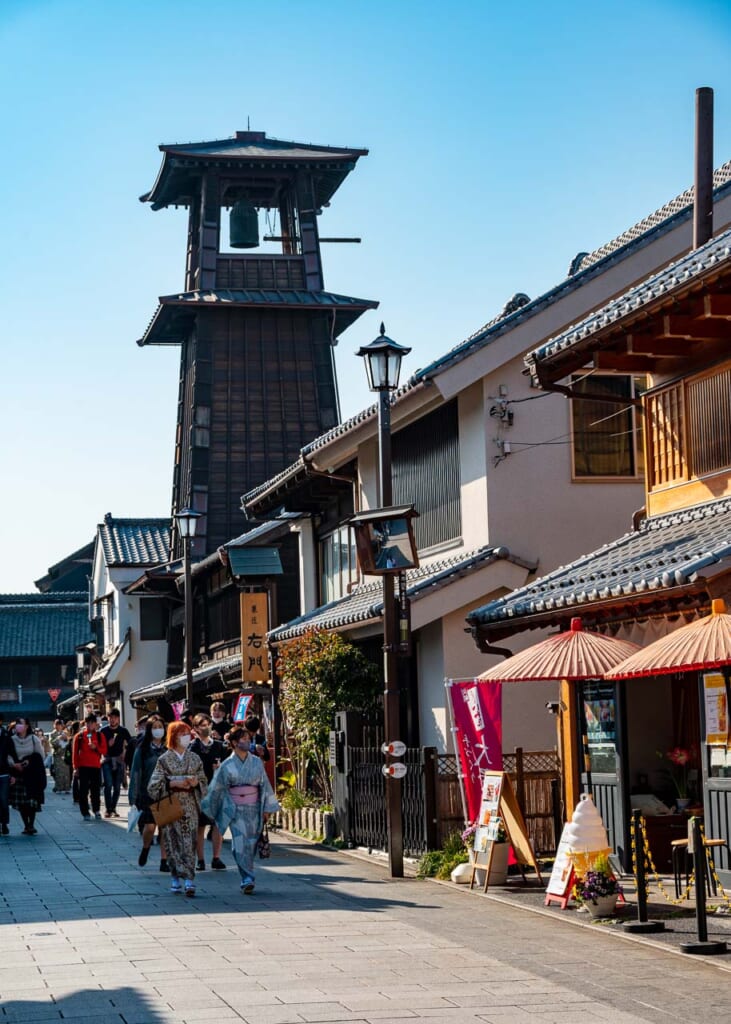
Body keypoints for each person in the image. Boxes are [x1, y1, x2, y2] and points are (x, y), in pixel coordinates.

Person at [202, 725, 279, 895]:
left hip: (254, 807)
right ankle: (247, 878)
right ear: (235, 743)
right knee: (239, 844)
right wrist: (214, 807)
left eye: (248, 739)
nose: (247, 742)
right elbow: (217, 787)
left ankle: (247, 875)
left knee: (250, 844)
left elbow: (264, 785)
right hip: (234, 808)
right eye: (243, 739)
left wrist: (266, 808)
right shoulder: (227, 764)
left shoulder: (257, 762)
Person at [148, 721, 207, 897]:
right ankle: (175, 876)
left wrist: (196, 782)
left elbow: (204, 781)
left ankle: (189, 878)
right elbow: (153, 785)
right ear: (173, 737)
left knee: (190, 841)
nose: (186, 737)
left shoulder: (195, 758)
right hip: (170, 802)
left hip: (189, 802)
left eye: (187, 733)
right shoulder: (164, 760)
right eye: (182, 734)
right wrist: (172, 782)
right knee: (171, 840)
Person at [129, 715, 170, 872]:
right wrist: (134, 796)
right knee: (150, 827)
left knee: (165, 827)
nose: (158, 730)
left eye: (160, 726)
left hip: (166, 792)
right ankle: (146, 847)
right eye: (155, 727)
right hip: (148, 792)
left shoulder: (168, 748)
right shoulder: (143, 749)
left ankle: (164, 859)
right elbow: (136, 772)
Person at [190, 713, 227, 871]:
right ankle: (200, 859)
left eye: (208, 724)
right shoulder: (193, 747)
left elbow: (226, 766)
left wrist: (219, 769)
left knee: (218, 824)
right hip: (198, 791)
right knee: (200, 826)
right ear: (196, 728)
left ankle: (216, 857)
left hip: (217, 790)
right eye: (202, 725)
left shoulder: (219, 746)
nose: (206, 728)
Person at [7, 717, 47, 834]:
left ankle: (31, 824)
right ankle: (26, 824)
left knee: (32, 801)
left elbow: (40, 756)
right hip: (18, 773)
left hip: (32, 774)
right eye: (17, 723)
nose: (18, 726)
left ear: (27, 726)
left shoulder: (34, 739)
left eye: (21, 723)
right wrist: (13, 764)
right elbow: (8, 755)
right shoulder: (11, 740)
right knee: (22, 802)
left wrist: (29, 762)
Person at [72, 714, 108, 822]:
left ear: (95, 724)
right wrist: (75, 767)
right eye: (87, 723)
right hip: (83, 767)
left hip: (96, 766)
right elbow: (75, 754)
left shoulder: (100, 736)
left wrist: (95, 747)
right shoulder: (79, 736)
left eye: (92, 723)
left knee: (95, 790)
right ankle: (85, 812)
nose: (89, 725)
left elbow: (104, 751)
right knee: (83, 791)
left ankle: (96, 810)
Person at [101, 709, 131, 817]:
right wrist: (107, 745)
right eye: (110, 717)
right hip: (107, 760)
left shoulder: (123, 730)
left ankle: (113, 808)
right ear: (108, 718)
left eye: (115, 717)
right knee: (108, 784)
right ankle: (108, 809)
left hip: (119, 761)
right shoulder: (103, 731)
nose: (112, 720)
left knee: (117, 787)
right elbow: (99, 748)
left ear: (118, 718)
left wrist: (125, 752)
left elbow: (130, 743)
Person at [50, 720, 72, 794]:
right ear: (55, 725)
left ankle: (66, 788)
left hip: (65, 754)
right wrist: (59, 738)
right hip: (57, 754)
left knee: (66, 772)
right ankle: (59, 788)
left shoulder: (65, 732)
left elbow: (69, 741)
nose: (59, 726)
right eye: (57, 725)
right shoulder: (53, 734)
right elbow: (52, 743)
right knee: (58, 772)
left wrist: (66, 739)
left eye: (60, 725)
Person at [0, 714, 12, 835]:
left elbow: (11, 755)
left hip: (3, 772)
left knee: (3, 800)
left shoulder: (6, 735)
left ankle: (4, 823)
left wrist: (12, 774)